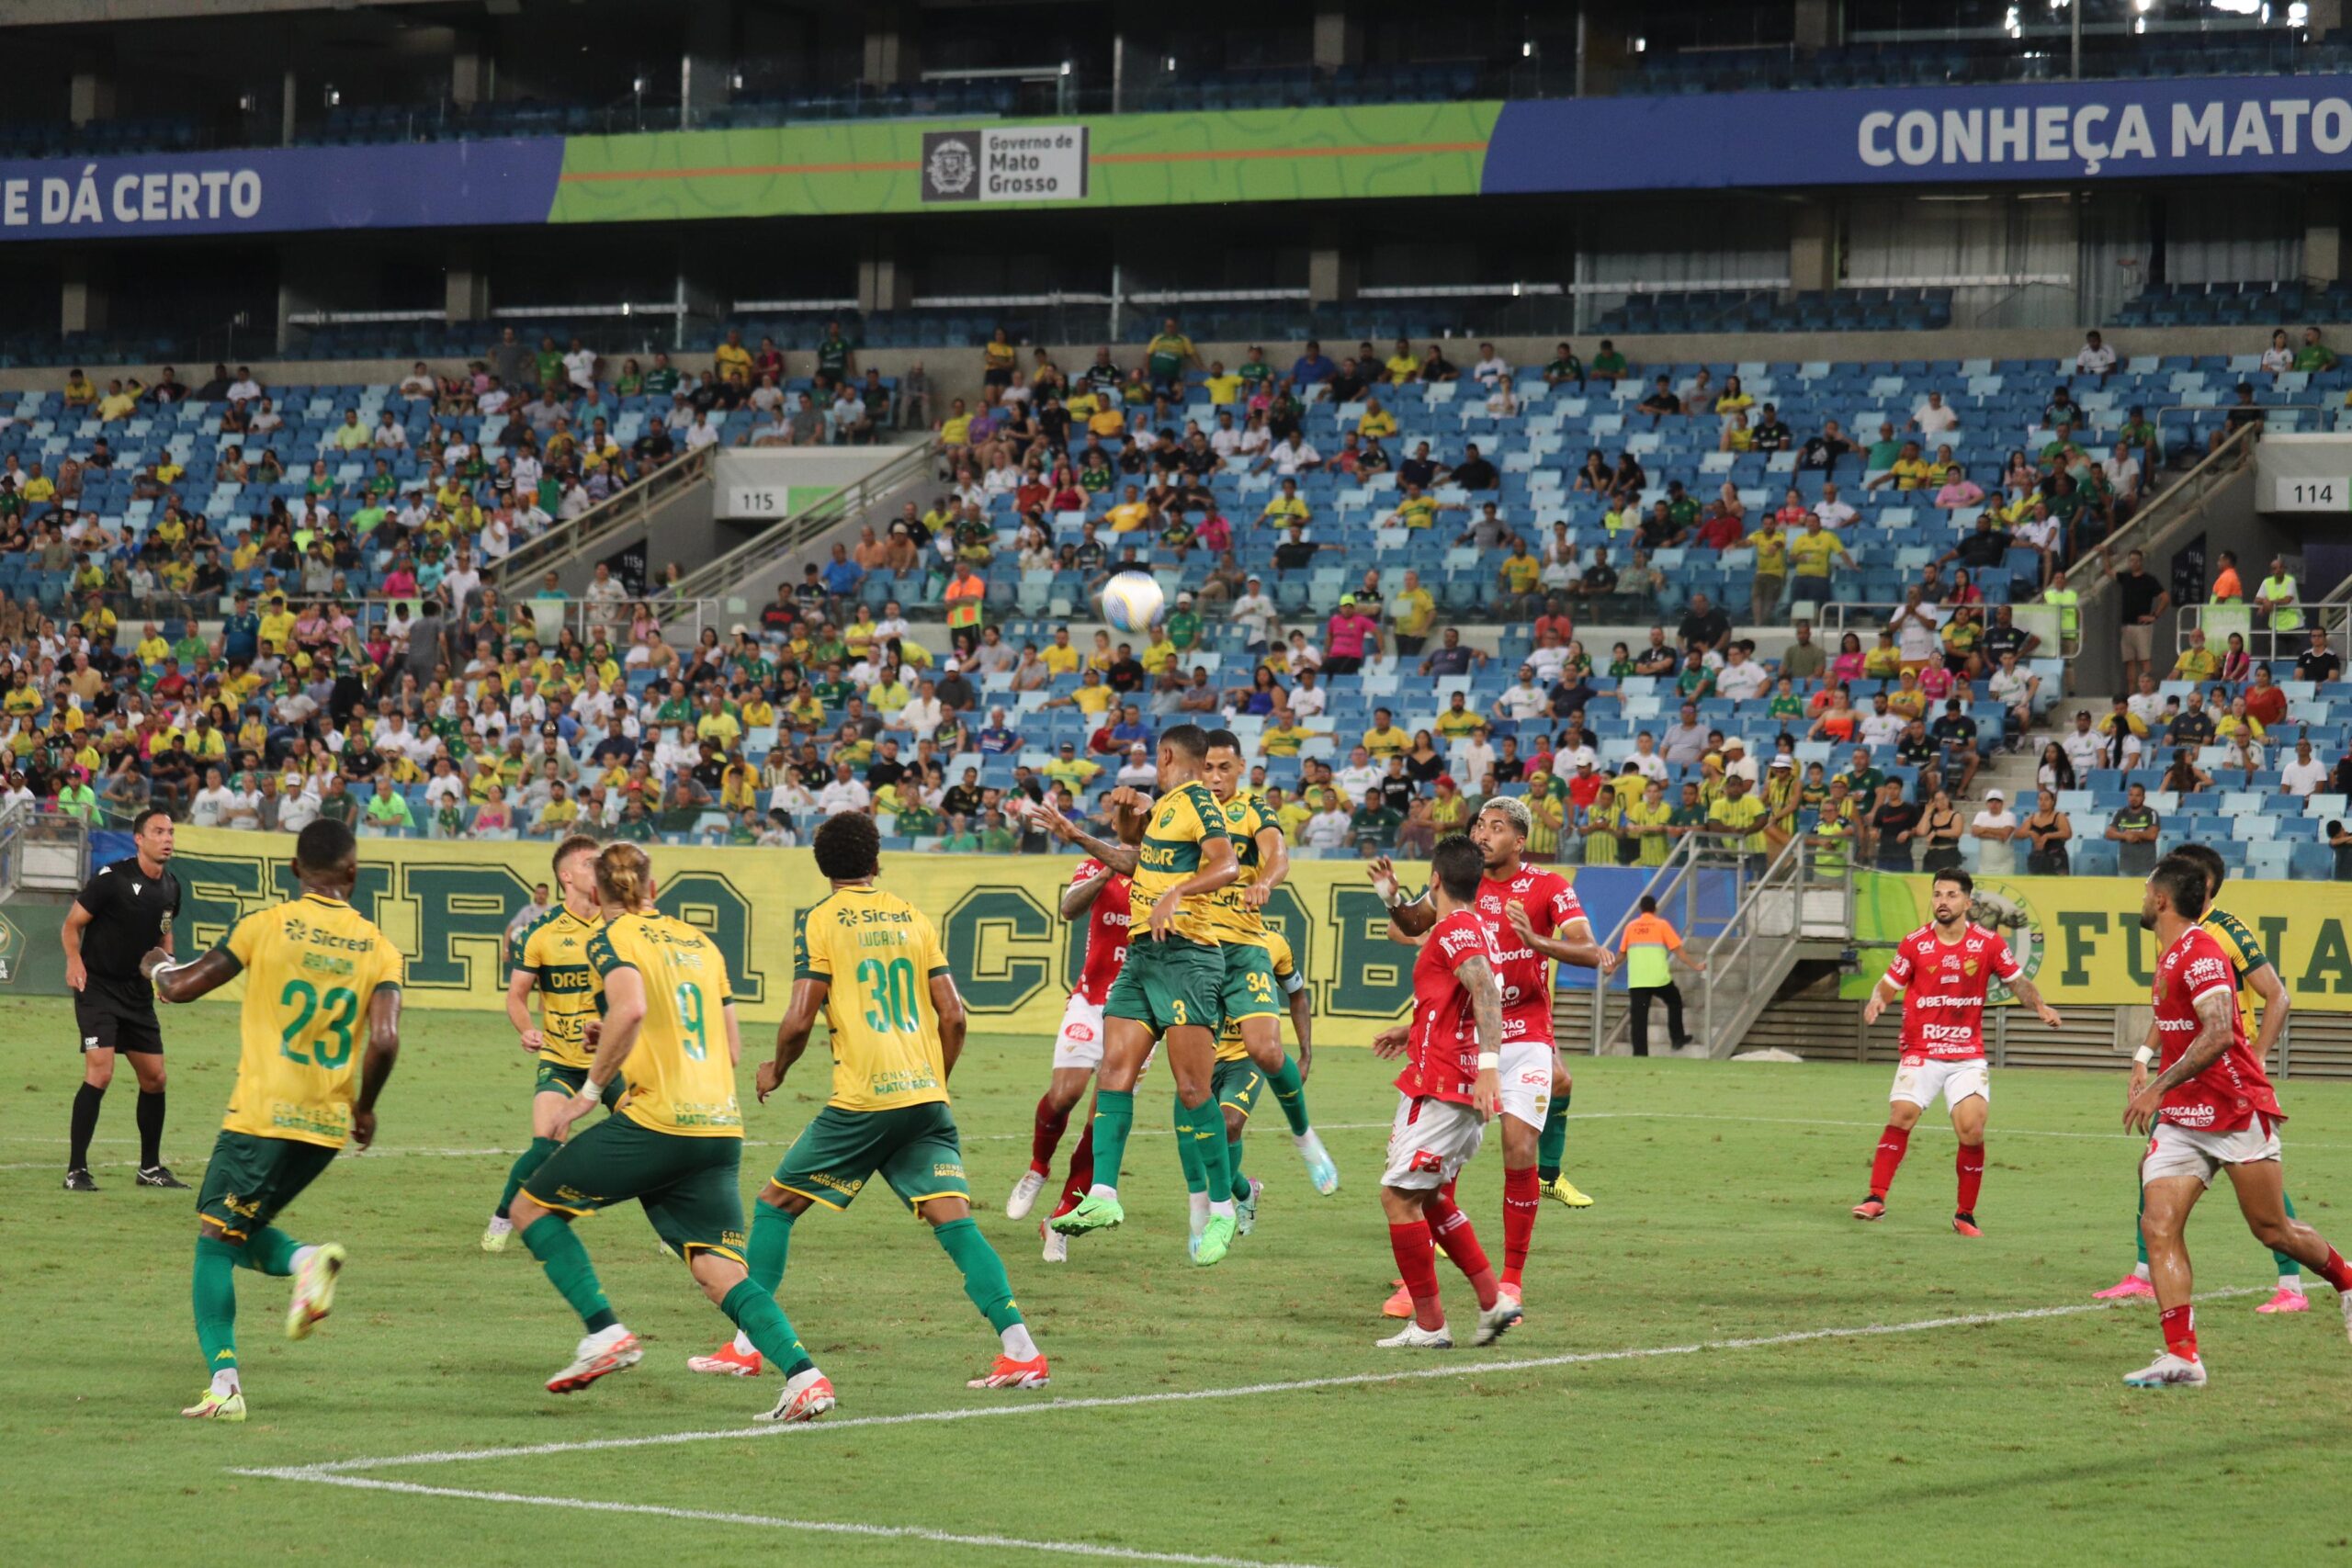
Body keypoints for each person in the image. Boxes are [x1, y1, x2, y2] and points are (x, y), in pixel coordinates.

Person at [689, 813, 1046, 1406]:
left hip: (865, 1098)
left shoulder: (823, 920)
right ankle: (1022, 1350)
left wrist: (776, 1069)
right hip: (924, 1097)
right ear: (876, 860)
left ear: (821, 864)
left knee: (776, 1204)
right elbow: (955, 1015)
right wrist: (935, 1081)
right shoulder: (911, 914)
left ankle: (748, 1346)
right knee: (954, 1221)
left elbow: (802, 1014)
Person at [498, 842, 811, 1409]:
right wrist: (618, 1033)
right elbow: (733, 1047)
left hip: (659, 1120)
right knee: (719, 1273)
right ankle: (804, 1377)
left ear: (598, 893)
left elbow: (633, 1009)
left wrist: (589, 1093)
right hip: (720, 1126)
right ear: (654, 888)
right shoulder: (700, 943)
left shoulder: (609, 937)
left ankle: (605, 1333)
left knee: (529, 1208)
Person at [142, 819, 403, 1421]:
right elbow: (385, 1039)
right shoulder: (379, 947)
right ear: (353, 873)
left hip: (260, 1116)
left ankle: (227, 1382)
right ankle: (301, 1263)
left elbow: (181, 987)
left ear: (293, 870)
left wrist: (154, 965)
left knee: (213, 1239)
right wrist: (364, 1105)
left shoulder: (266, 925)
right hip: (324, 1127)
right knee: (234, 1229)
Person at [1370, 796, 1616, 1318]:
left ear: (1520, 841)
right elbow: (1413, 928)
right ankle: (1420, 1283)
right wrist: (1391, 898)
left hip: (1525, 1034)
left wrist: (1535, 940)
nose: (1484, 834)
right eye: (1480, 824)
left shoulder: (1549, 887)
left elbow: (1591, 950)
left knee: (1518, 1145)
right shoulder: (1462, 884)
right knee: (1435, 1169)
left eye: (1497, 827)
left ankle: (1511, 1280)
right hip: (1464, 1038)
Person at [2117, 854, 2352, 1387]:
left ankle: (2346, 1281)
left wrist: (2156, 1085)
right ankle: (2183, 1356)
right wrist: (2149, 1067)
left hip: (2232, 1105)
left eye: (2145, 890)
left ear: (2160, 899)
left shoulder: (2199, 951)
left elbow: (2221, 1031)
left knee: (2273, 1229)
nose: (2141, 897)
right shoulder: (2170, 951)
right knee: (2158, 1224)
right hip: (2182, 1114)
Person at [1035, 725, 1243, 1258]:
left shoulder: (1198, 804)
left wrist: (1177, 893)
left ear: (1167, 754)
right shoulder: (1169, 809)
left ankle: (1222, 1208)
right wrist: (1078, 836)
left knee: (1194, 1090)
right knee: (1113, 1073)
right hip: (1142, 956)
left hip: (1186, 956)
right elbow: (1135, 862)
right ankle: (1103, 1193)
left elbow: (1227, 865)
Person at [2095, 844, 2318, 1316]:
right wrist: (2143, 1056)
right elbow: (2172, 1004)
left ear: (2201, 884)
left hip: (2228, 1076)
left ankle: (2293, 1280)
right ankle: (2144, 1275)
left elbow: (2277, 996)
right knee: (2152, 1168)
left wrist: (2256, 1057)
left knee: (2261, 1196)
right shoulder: (2171, 934)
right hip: (2188, 1075)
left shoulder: (2224, 931)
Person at [1365, 833, 1518, 1351]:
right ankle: (1492, 1300)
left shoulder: (1456, 930)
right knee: (1428, 1198)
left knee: (1397, 1197)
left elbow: (1485, 992)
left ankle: (1430, 1326)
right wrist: (1409, 1032)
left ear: (1435, 880)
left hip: (1448, 1084)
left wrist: (1491, 1070)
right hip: (1436, 1075)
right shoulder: (1466, 925)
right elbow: (1452, 1000)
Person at [1853, 868, 2062, 1235]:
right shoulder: (1915, 942)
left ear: (1968, 902)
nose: (1942, 902)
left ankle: (1964, 1214)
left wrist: (2040, 1007)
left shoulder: (1989, 944)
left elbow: (2018, 983)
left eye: (1951, 895)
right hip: (1922, 1048)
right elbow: (1888, 983)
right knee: (1902, 1114)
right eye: (1937, 895)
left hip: (1966, 1053)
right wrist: (1876, 1001)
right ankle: (1876, 1197)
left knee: (1972, 1130)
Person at [1194, 731, 1339, 1218]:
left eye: (1224, 768)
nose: (1216, 777)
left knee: (1266, 1049)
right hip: (1193, 949)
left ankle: (1303, 1135)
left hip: (1242, 945)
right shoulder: (1186, 809)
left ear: (1241, 768)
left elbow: (1277, 854)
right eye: (1208, 768)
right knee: (1205, 1130)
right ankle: (1233, 1198)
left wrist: (1266, 883)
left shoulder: (1253, 810)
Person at [1001, 807, 1140, 1265]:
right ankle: (1037, 1169)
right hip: (1091, 999)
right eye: (1123, 816)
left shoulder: (1165, 866)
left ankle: (1058, 1220)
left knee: (1100, 1122)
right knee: (1065, 1094)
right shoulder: (1093, 859)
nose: (1129, 822)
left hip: (1139, 1011)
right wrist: (1108, 868)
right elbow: (1068, 908)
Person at [481, 835, 617, 1253]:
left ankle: (676, 1233)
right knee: (546, 1143)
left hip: (613, 1059)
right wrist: (526, 1029)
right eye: (590, 862)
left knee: (652, 1139)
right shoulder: (540, 933)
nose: (600, 867)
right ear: (567, 875)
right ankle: (504, 1215)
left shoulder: (620, 925)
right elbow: (516, 996)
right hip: (560, 1057)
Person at [61, 807, 184, 1191]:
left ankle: (150, 1168)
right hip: (97, 988)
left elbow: (164, 935)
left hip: (135, 993)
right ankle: (76, 1170)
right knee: (101, 1072)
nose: (167, 838)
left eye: (171, 832)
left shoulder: (171, 887)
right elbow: (71, 924)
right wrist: (74, 958)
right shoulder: (112, 879)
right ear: (139, 839)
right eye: (159, 832)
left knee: (155, 1077)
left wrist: (167, 974)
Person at [1619, 895, 1704, 1055]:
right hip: (1659, 979)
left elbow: (1622, 953)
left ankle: (1640, 1054)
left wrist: (1612, 966)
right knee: (1674, 1001)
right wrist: (1696, 965)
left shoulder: (1631, 927)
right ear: (1655, 909)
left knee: (1639, 1018)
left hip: (1638, 981)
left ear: (1640, 909)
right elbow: (1678, 951)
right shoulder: (1661, 925)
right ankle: (1677, 1038)